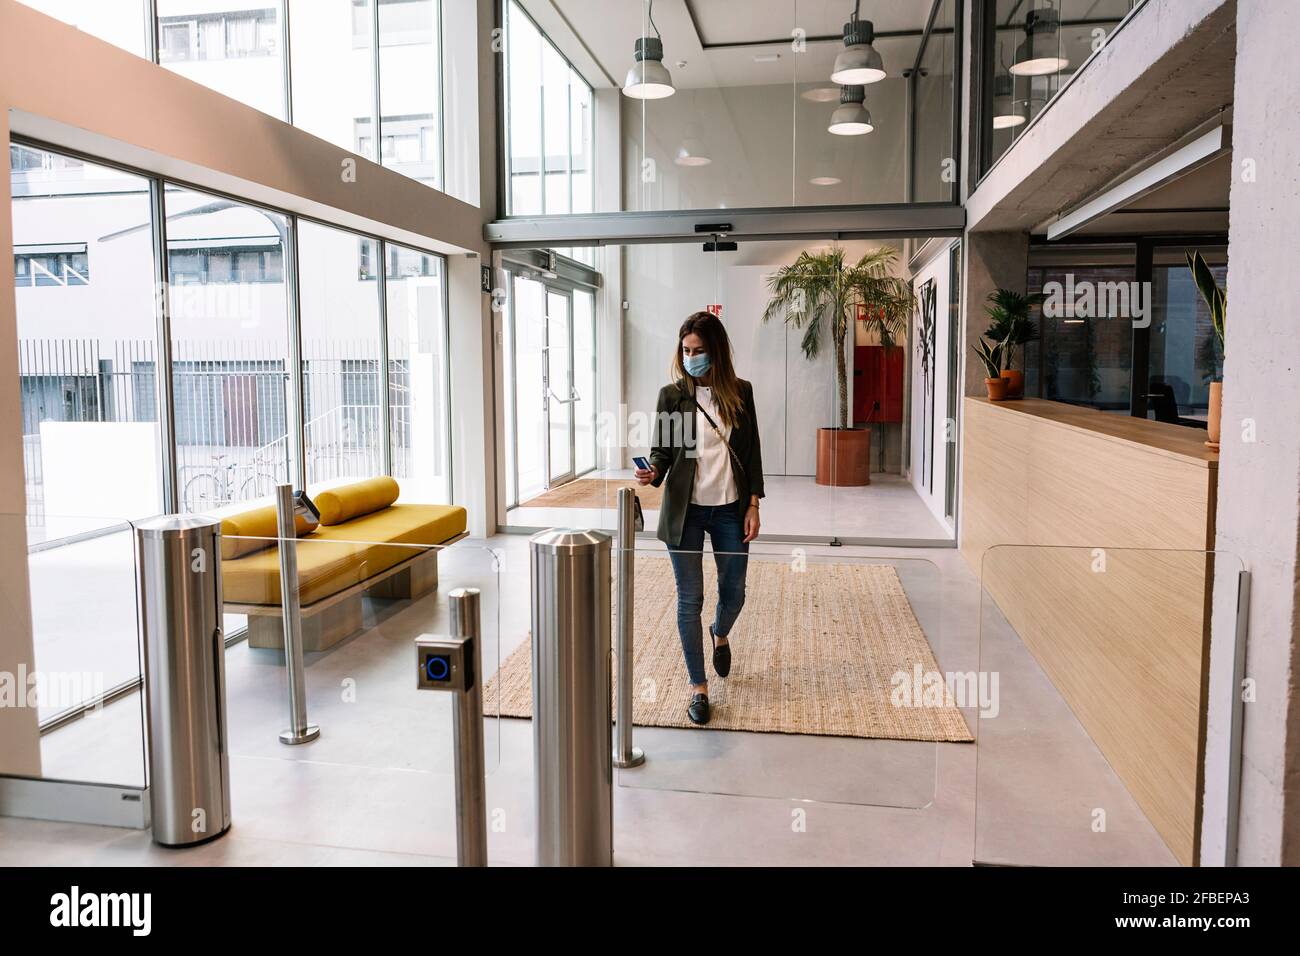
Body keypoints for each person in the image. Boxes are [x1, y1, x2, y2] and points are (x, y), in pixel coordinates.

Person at [636, 311, 764, 725]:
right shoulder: (671, 396)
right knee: (689, 598)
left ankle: (720, 633)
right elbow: (664, 450)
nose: (691, 358)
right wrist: (653, 470)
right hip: (686, 512)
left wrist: (753, 505)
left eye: (699, 351)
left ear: (717, 352)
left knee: (736, 592)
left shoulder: (740, 393)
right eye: (686, 351)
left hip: (730, 508)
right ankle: (698, 687)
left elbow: (751, 453)